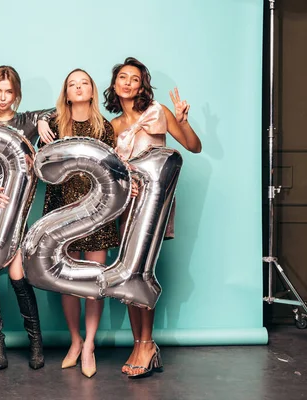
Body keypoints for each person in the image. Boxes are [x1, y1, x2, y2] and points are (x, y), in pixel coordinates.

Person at [104, 56, 202, 379]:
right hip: (127, 206)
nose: (128, 82)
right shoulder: (111, 127)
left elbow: (193, 146)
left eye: (134, 78)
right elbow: (110, 174)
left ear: (142, 84)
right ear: (115, 85)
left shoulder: (158, 113)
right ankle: (141, 344)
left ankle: (147, 343)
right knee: (129, 272)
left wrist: (184, 122)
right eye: (122, 77)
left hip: (156, 204)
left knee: (143, 270)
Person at [0, 65, 55, 370]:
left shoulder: (28, 120)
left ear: (16, 93)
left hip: (15, 208)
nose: (3, 97)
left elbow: (63, 109)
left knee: (19, 276)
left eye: (9, 91)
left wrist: (43, 121)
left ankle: (35, 344)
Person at [41, 68, 119, 378]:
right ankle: (74, 341)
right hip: (63, 210)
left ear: (91, 90)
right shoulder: (55, 124)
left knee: (94, 282)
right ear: (66, 92)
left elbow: (114, 169)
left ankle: (89, 346)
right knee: (68, 282)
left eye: (83, 83)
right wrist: (40, 122)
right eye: (72, 84)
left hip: (98, 212)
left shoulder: (105, 127)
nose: (78, 87)